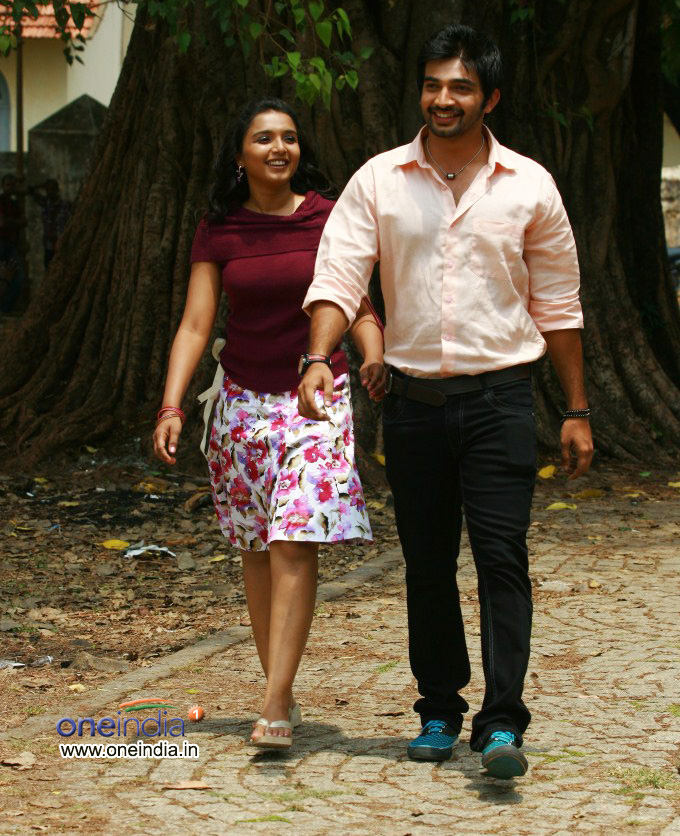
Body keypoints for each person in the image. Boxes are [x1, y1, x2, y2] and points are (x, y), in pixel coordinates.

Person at [298, 24, 594, 779]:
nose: (443, 98)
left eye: (460, 86)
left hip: (501, 401)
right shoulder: (379, 181)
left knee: (501, 558)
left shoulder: (529, 186)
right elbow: (339, 276)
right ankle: (438, 707)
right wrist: (318, 356)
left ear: (489, 98)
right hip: (413, 406)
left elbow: (560, 306)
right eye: (432, 85)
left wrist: (577, 409)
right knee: (427, 563)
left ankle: (501, 723)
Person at [153, 98, 385, 751]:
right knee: (256, 547)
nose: (279, 147)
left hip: (316, 396)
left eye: (288, 137)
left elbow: (357, 304)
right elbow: (196, 324)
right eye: (263, 138)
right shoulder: (219, 227)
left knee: (294, 539)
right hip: (242, 405)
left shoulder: (327, 217)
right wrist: (171, 406)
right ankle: (278, 683)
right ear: (240, 155)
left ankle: (276, 701)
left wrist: (373, 354)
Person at [28, 178, 71, 268]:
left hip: (62, 241)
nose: (50, 192)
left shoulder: (66, 205)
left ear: (57, 190)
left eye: (53, 189)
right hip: (49, 243)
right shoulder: (45, 204)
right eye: (48, 190)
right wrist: (42, 185)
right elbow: (30, 190)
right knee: (49, 266)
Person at [0, 173, 25, 313]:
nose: (10, 188)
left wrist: (9, 222)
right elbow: (2, 223)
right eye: (7, 185)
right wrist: (16, 222)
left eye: (12, 185)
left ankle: (5, 309)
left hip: (10, 244)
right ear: (3, 186)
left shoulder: (15, 205)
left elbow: (24, 222)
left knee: (18, 276)